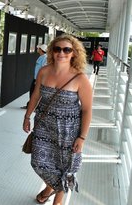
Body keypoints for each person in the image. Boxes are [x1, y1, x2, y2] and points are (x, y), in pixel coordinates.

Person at [22, 35, 92, 204]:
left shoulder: (80, 78)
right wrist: (27, 116)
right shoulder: (44, 71)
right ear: (52, 52)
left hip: (68, 131)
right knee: (38, 162)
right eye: (57, 49)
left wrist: (81, 137)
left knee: (63, 167)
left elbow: (87, 109)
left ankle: (56, 198)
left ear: (74, 53)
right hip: (44, 125)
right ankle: (53, 186)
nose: (62, 52)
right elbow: (36, 95)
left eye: (67, 49)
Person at [21, 44, 48, 109]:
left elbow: (43, 70)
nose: (37, 49)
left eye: (38, 48)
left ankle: (32, 107)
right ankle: (30, 105)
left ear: (41, 50)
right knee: (32, 92)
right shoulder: (41, 56)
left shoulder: (44, 57)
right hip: (36, 78)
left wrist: (38, 80)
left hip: (38, 79)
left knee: (33, 92)